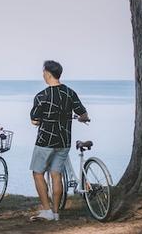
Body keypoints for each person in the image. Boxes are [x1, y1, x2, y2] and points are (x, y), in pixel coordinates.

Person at [29, 60, 89, 221]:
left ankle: (47, 210)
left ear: (48, 74)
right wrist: (83, 119)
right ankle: (55, 213)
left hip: (45, 141)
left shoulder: (41, 96)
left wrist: (42, 120)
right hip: (64, 141)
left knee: (37, 173)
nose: (42, 75)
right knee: (56, 175)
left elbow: (34, 120)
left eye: (43, 72)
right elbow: (83, 114)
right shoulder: (70, 93)